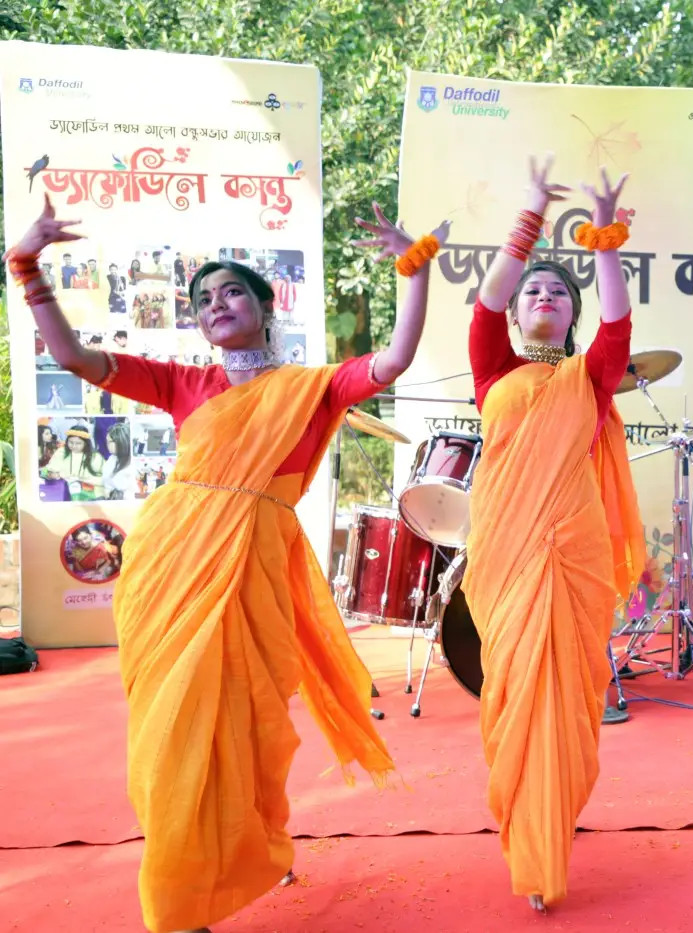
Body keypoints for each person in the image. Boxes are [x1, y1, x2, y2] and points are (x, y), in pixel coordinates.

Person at [4, 193, 449, 933]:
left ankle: (245, 842)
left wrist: (415, 271)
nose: (215, 303)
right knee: (175, 719)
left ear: (266, 306)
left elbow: (395, 360)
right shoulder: (185, 383)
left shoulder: (314, 388)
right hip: (170, 564)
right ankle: (183, 891)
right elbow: (74, 357)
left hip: (255, 564)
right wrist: (26, 268)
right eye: (203, 298)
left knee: (248, 718)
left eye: (231, 291)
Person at [464, 156, 644, 913]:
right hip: (504, 555)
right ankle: (526, 823)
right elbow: (486, 299)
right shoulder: (492, 369)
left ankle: (550, 828)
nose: (543, 297)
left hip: (572, 551)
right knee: (512, 692)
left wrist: (603, 238)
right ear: (516, 314)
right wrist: (531, 214)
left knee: (567, 697)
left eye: (558, 294)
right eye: (533, 291)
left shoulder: (592, 376)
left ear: (571, 317)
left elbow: (618, 324)